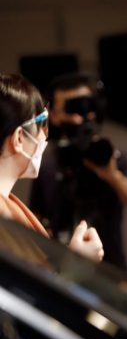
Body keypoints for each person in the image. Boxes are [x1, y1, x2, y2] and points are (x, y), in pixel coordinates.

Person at [29, 73, 127, 270]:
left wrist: (112, 175)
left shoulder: (111, 156)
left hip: (111, 267)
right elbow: (35, 218)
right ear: (54, 115)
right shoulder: (47, 163)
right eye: (71, 107)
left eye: (85, 105)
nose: (80, 116)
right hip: (62, 268)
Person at [0, 73, 104, 262]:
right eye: (42, 124)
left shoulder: (9, 204)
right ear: (19, 138)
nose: (43, 136)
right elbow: (26, 279)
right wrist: (76, 263)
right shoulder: (4, 217)